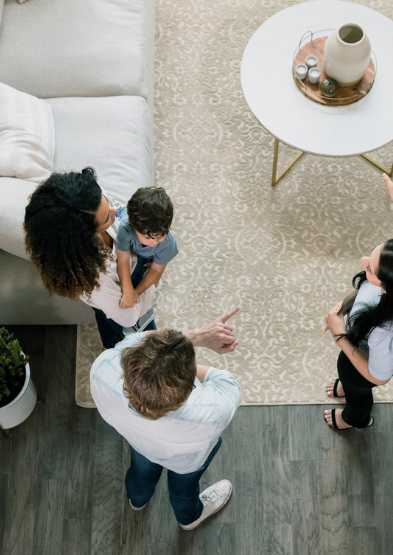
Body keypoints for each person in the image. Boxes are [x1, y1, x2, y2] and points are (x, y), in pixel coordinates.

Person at [90, 315, 240, 529]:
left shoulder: (102, 370)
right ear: (187, 383)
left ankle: (137, 501)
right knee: (183, 489)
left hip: (139, 442)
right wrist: (192, 353)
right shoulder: (211, 413)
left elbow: (139, 339)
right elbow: (224, 379)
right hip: (185, 461)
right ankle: (189, 519)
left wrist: (196, 338)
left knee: (140, 475)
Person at [324, 158, 393, 430]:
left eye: (371, 269)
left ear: (387, 289)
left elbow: (379, 377)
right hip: (362, 342)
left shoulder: (387, 332)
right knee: (348, 380)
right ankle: (345, 389)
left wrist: (339, 335)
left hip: (363, 364)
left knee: (357, 389)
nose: (364, 260)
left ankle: (355, 419)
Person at [24, 168, 159, 348]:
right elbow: (130, 318)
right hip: (123, 302)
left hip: (108, 299)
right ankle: (114, 347)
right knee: (149, 340)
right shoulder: (97, 281)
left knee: (105, 314)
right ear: (83, 239)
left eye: (106, 201)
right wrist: (150, 278)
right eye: (105, 220)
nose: (114, 211)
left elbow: (115, 209)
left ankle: (110, 344)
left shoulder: (88, 203)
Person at [116, 187, 179, 314]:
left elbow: (156, 270)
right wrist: (128, 292)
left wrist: (135, 293)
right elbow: (123, 258)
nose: (155, 242)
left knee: (149, 276)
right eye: (148, 237)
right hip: (130, 241)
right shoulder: (125, 228)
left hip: (147, 255)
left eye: (160, 235)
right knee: (123, 286)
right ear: (133, 227)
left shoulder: (167, 243)